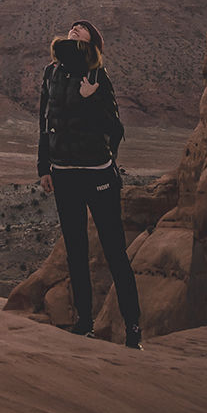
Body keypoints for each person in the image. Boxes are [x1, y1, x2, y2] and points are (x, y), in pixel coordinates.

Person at [36, 19, 143, 348]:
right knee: (76, 251)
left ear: (93, 42)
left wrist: (91, 98)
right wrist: (44, 167)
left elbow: (115, 128)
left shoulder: (98, 76)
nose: (75, 29)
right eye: (72, 27)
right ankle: (83, 321)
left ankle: (133, 327)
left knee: (114, 252)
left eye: (82, 29)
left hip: (97, 173)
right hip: (64, 173)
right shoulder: (51, 73)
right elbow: (45, 121)